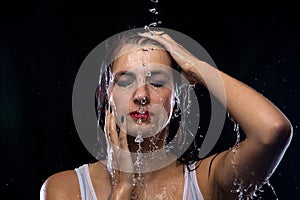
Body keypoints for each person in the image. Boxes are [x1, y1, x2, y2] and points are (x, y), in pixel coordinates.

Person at [40, 28, 293, 200]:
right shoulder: (66, 189)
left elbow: (272, 131)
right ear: (106, 95)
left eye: (158, 82)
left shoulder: (206, 182)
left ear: (178, 98)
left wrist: (198, 68)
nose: (142, 95)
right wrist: (122, 191)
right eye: (126, 81)